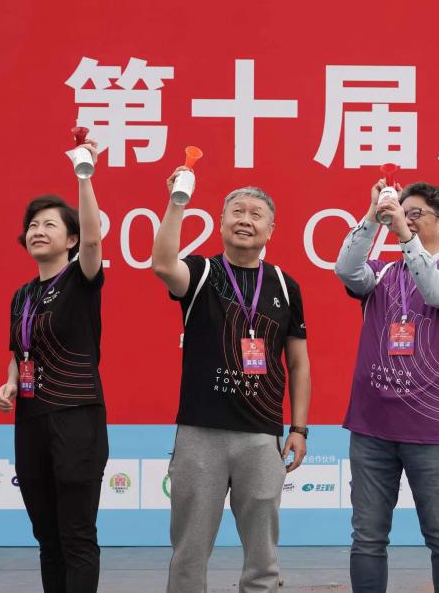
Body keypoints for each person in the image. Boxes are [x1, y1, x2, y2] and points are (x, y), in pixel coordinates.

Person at [150, 170, 311, 593]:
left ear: (270, 229)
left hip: (261, 437)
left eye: (256, 214)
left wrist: (298, 428)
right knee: (188, 553)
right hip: (200, 434)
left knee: (263, 558)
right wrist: (177, 202)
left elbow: (298, 363)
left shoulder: (284, 286)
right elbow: (163, 264)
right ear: (221, 223)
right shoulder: (201, 272)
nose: (245, 220)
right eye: (237, 211)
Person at [335, 179, 439, 593]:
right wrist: (371, 215)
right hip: (371, 426)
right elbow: (346, 269)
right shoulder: (380, 273)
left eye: (416, 214)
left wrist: (404, 236)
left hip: (430, 430)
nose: (407, 220)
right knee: (367, 538)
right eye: (402, 212)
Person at [0, 141, 108, 592]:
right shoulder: (22, 295)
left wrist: (85, 174)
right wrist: (8, 383)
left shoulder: (81, 278)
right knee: (47, 538)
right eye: (32, 225)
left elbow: (95, 238)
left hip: (76, 416)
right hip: (30, 420)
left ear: (71, 240)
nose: (37, 231)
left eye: (49, 225)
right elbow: (19, 353)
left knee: (76, 536)